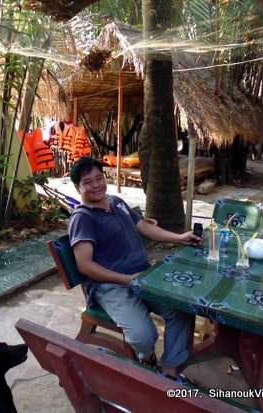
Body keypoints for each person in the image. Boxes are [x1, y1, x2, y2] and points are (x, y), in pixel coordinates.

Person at [68, 157, 201, 380]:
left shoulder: (116, 202)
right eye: (88, 182)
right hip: (110, 286)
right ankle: (146, 357)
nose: (96, 185)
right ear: (77, 187)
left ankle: (168, 371)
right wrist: (126, 279)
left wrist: (180, 238)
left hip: (143, 277)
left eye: (99, 178)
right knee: (144, 336)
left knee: (182, 309)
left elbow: (144, 227)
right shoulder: (83, 218)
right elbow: (85, 265)